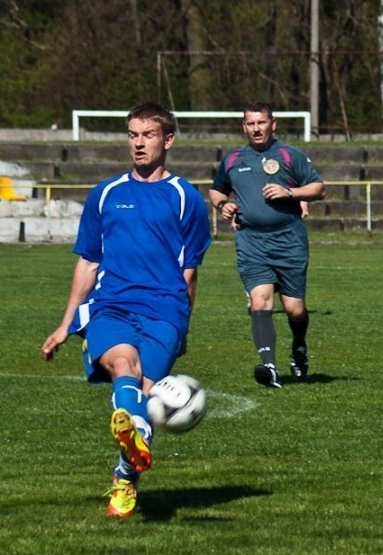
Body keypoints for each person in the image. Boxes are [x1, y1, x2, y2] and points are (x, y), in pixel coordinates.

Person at [41, 102, 212, 518]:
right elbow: (88, 262)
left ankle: (125, 476)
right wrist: (66, 324)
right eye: (133, 134)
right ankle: (133, 439)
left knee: (147, 394)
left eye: (148, 135)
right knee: (124, 365)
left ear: (167, 140)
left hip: (164, 310)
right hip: (111, 305)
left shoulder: (186, 199)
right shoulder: (105, 194)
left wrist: (182, 328)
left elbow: (189, 273)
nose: (138, 143)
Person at [209, 102, 325, 389]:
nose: (256, 128)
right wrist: (223, 204)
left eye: (261, 122)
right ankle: (269, 366)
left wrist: (290, 191)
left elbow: (318, 188)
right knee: (260, 300)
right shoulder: (233, 159)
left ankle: (299, 345)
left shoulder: (289, 155)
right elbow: (216, 189)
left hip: (288, 239)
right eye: (250, 123)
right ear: (243, 126)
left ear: (273, 124)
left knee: (295, 309)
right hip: (251, 240)